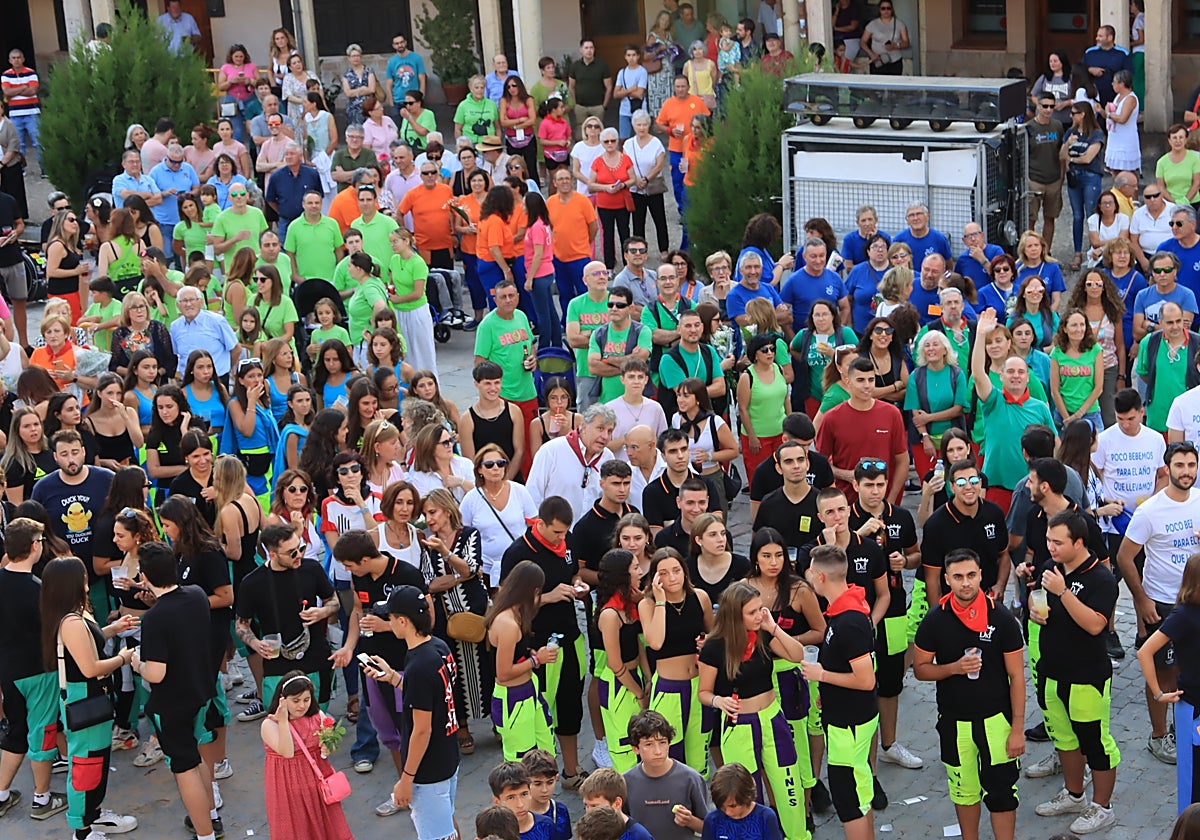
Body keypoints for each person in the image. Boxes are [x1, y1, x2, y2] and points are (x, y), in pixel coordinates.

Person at [913, 548, 1025, 840]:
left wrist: (1017, 729)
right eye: (958, 577)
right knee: (964, 793)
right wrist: (953, 668)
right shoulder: (935, 619)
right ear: (946, 579)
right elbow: (920, 669)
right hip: (954, 722)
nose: (966, 583)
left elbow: (1017, 677)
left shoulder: (1000, 618)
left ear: (980, 575)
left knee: (1002, 793)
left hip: (996, 721)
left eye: (971, 575)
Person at [1030, 510, 1121, 835]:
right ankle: (1074, 795)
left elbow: (1096, 625)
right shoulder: (1049, 568)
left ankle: (1103, 807)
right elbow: (1039, 597)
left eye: (1057, 542)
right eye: (1048, 541)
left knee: (1095, 743)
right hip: (1052, 671)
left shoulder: (1101, 578)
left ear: (1078, 542)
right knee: (1065, 740)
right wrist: (1034, 606)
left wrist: (1063, 591)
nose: (1050, 547)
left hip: (1087, 677)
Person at [330, 529, 428, 817]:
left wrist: (386, 626)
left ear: (364, 559)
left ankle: (419, 790)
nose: (347, 571)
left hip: (401, 664)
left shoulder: (406, 574)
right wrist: (349, 647)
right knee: (389, 731)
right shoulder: (359, 577)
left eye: (349, 565)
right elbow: (358, 613)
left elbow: (426, 620)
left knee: (409, 728)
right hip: (372, 665)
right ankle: (404, 791)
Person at [40, 556, 139, 840]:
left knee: (96, 760)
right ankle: (82, 829)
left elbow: (88, 643)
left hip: (91, 697)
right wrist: (122, 658)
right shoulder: (70, 620)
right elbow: (90, 668)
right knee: (86, 764)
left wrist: (113, 629)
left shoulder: (74, 613)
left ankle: (93, 814)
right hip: (84, 698)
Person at [499, 496, 592, 787]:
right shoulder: (517, 553)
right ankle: (535, 781)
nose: (561, 538)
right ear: (539, 523)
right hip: (537, 643)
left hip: (570, 636)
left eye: (565, 532)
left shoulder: (568, 541)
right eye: (556, 532)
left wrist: (578, 586)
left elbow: (573, 572)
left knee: (570, 707)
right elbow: (505, 600)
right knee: (541, 713)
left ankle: (571, 772)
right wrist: (547, 597)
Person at [1118, 441, 1200, 765]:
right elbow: (1125, 558)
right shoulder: (1149, 510)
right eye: (1179, 465)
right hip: (1163, 602)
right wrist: (1141, 600)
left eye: (1191, 465)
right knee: (1164, 673)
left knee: (1188, 668)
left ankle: (1183, 729)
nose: (1186, 472)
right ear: (1167, 469)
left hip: (1195, 601)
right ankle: (1157, 735)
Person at [132, 540, 220, 839]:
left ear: (144, 577)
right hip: (201, 690)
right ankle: (211, 814)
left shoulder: (155, 618)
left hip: (173, 702)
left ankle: (205, 833)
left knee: (185, 768)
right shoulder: (195, 595)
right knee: (197, 758)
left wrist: (136, 662)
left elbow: (156, 673)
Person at [361, 585, 461, 834]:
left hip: (429, 770)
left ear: (403, 621)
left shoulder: (418, 666)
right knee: (448, 823)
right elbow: (432, 697)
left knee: (436, 835)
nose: (389, 622)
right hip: (448, 755)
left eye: (391, 617)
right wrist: (394, 678)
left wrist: (406, 779)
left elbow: (421, 730)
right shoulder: (438, 647)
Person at [801, 543, 879, 837]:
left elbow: (866, 680)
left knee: (850, 800)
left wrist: (823, 675)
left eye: (810, 573)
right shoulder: (846, 609)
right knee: (860, 795)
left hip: (851, 725)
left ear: (819, 577)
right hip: (845, 720)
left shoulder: (849, 621)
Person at [0, 518, 66, 822]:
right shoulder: (39, 589)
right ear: (35, 546)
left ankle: (1, 794)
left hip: (8, 672)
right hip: (40, 671)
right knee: (43, 732)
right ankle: (42, 798)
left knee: (17, 731)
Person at [970, 309, 1056, 513]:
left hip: (1032, 487)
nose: (1015, 376)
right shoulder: (993, 401)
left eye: (1020, 372)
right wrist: (981, 334)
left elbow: (1055, 444)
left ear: (1028, 377)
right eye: (1010, 371)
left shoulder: (1039, 408)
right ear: (1001, 376)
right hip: (997, 487)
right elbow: (977, 373)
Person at [258, 672, 353, 840]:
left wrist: (326, 748)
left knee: (327, 824)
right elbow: (287, 752)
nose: (302, 706)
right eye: (296, 701)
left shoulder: (318, 717)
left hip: (317, 781)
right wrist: (283, 722)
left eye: (306, 700)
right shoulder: (269, 724)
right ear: (282, 699)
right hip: (288, 786)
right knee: (296, 827)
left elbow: (327, 749)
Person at [485, 559, 557, 759]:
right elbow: (503, 673)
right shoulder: (507, 623)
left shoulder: (514, 615)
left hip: (528, 690)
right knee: (522, 762)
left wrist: (530, 655)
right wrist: (536, 661)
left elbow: (515, 655)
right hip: (513, 697)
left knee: (546, 752)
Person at [814, 357, 907, 503]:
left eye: (871, 380)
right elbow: (820, 464)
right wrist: (846, 475)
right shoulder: (832, 418)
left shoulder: (892, 414)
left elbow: (902, 460)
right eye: (860, 380)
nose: (867, 385)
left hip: (883, 501)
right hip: (848, 502)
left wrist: (891, 499)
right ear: (847, 381)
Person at [623, 710, 708, 840]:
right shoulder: (625, 782)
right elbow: (619, 826)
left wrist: (690, 821)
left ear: (669, 743)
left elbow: (709, 828)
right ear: (635, 748)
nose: (658, 751)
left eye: (662, 742)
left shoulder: (691, 779)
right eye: (649, 744)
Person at [458, 361, 527, 481]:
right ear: (476, 384)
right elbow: (470, 460)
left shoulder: (514, 411)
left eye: (497, 383)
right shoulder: (467, 420)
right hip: (483, 481)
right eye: (487, 383)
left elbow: (519, 451)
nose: (493, 388)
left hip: (511, 478)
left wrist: (505, 480)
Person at [1138, 302, 1200, 434]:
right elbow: (1144, 374)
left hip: (1190, 420)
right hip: (1158, 419)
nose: (1176, 326)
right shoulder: (1148, 342)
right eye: (1170, 322)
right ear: (1160, 322)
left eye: (1179, 321)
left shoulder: (1197, 343)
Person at [1063, 103, 1107, 271]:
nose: (1071, 116)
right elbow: (1061, 155)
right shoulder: (1070, 133)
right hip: (1074, 177)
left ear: (1082, 115)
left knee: (1091, 215)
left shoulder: (1096, 134)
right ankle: (1077, 252)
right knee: (1077, 216)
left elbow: (1088, 158)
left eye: (1074, 113)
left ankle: (1093, 250)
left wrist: (1071, 159)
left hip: (1090, 177)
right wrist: (1068, 144)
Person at [1083, 24, 1132, 105]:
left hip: (1114, 98)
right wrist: (1090, 70)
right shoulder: (1089, 52)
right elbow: (1079, 70)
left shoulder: (1123, 53)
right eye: (1097, 36)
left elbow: (1128, 75)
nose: (1097, 38)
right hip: (1091, 97)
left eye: (1100, 36)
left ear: (1110, 38)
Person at [1162, 206, 1200, 302]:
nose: (1174, 227)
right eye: (1172, 224)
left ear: (1193, 225)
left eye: (1179, 224)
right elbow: (1153, 281)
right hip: (1173, 310)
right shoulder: (1164, 249)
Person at [1158, 124, 1200, 208]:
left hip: (1193, 203)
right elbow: (1161, 187)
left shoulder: (1195, 159)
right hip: (1170, 204)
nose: (1178, 141)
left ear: (1186, 139)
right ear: (1169, 140)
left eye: (1181, 137)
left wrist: (1185, 201)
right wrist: (1174, 202)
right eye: (1174, 138)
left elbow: (1197, 183)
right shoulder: (1161, 162)